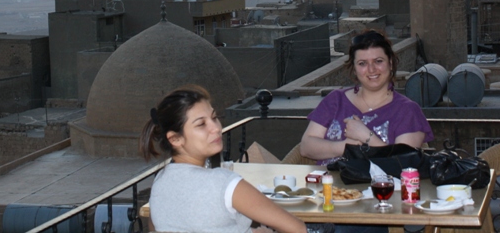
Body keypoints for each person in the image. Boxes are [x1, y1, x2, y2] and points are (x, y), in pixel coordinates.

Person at [140, 85, 308, 233]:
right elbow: (297, 229)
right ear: (175, 139)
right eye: (201, 124)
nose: (216, 128)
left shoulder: (160, 182)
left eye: (214, 118)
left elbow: (158, 227)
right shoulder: (224, 184)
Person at [300, 30, 434, 165]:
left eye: (378, 61)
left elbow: (404, 164)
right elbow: (306, 147)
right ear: (354, 68)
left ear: (391, 63)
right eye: (362, 63)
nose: (371, 69)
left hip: (382, 186)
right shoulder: (336, 100)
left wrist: (367, 138)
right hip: (328, 185)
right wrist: (346, 147)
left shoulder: (407, 111)